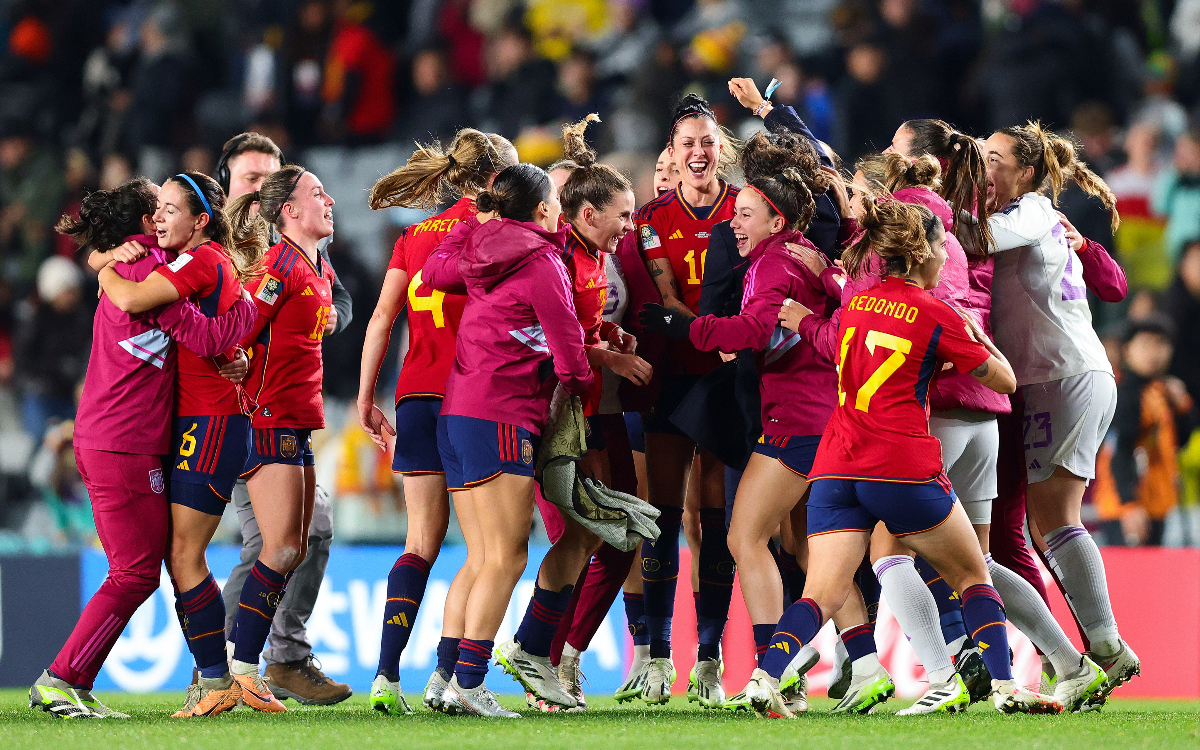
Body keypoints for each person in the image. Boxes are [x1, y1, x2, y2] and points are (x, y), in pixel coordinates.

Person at [743, 196, 1061, 718]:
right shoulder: (938, 313)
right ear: (921, 253)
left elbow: (828, 340)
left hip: (836, 467)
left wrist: (803, 320)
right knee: (973, 577)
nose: (946, 256)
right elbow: (1002, 382)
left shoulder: (858, 305)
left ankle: (763, 678)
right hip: (902, 467)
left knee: (820, 595)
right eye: (942, 246)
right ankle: (1005, 687)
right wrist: (976, 338)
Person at [30, 179, 255, 718]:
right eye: (160, 207)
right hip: (120, 442)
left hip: (121, 439)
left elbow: (108, 267)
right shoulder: (147, 271)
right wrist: (251, 310)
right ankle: (60, 678)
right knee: (134, 571)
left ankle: (76, 681)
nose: (165, 215)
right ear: (145, 223)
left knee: (146, 566)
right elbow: (202, 338)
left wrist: (100, 257)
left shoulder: (136, 265)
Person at [640, 163, 834, 714]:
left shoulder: (773, 264)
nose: (735, 224)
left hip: (797, 417)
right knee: (795, 544)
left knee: (748, 537)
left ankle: (780, 664)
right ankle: (806, 666)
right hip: (805, 413)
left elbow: (750, 331)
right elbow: (833, 300)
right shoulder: (798, 256)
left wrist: (686, 327)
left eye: (746, 215)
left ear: (777, 219)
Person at [419, 164, 593, 717]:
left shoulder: (478, 248)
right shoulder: (542, 262)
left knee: (481, 556)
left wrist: (468, 223)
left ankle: (445, 679)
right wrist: (581, 390)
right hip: (502, 414)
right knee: (508, 556)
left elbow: (436, 272)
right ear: (543, 210)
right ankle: (470, 683)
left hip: (459, 411)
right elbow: (569, 355)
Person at [91, 172, 265, 717]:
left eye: (170, 209)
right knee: (180, 555)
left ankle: (217, 682)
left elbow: (141, 298)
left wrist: (108, 277)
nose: (158, 218)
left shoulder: (201, 260)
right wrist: (103, 259)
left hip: (209, 425)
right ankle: (216, 680)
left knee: (185, 555)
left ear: (200, 221)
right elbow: (218, 338)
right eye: (156, 209)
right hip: (196, 423)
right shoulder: (189, 263)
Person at [357, 128, 517, 714]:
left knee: (419, 543)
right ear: (498, 178)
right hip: (473, 400)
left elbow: (381, 320)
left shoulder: (413, 236)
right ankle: (450, 678)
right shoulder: (499, 234)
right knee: (486, 550)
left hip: (414, 396)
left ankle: (385, 675)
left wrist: (364, 395)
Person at [983, 121, 1138, 708]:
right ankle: (1083, 651)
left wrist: (921, 219)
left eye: (995, 157)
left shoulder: (1030, 211)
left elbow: (988, 238)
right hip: (1050, 379)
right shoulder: (1041, 219)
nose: (983, 165)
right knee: (1037, 522)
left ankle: (1103, 647)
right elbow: (1112, 283)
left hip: (1061, 376)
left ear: (1025, 172)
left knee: (1054, 515)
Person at [508, 116, 650, 712]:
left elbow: (577, 325)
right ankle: (527, 653)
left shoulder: (591, 257)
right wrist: (605, 360)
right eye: (623, 213)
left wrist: (606, 332)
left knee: (612, 533)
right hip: (549, 412)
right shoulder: (555, 257)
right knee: (579, 532)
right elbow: (542, 332)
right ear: (586, 214)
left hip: (583, 410)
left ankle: (550, 653)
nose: (631, 224)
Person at [214, 132, 354, 707]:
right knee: (276, 549)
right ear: (288, 209)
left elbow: (332, 309)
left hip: (295, 421)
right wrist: (231, 359)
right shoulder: (277, 264)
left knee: (294, 546)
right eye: (318, 193)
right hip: (264, 418)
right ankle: (233, 667)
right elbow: (237, 325)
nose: (331, 201)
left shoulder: (314, 264)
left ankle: (248, 667)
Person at [632, 92, 740, 706]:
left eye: (707, 141)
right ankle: (654, 657)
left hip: (725, 378)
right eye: (687, 144)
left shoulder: (747, 210)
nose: (698, 153)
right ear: (671, 154)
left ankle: (708, 653)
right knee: (664, 514)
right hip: (671, 375)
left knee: (715, 514)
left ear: (721, 148)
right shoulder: (650, 221)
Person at [1094, 315, 1192, 545]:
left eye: (1161, 344)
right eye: (1146, 344)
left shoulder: (1160, 391)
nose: (1154, 353)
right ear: (1128, 350)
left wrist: (1182, 408)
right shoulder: (1125, 393)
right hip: (1127, 509)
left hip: (1155, 505)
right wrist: (1128, 505)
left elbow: (1181, 442)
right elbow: (1119, 451)